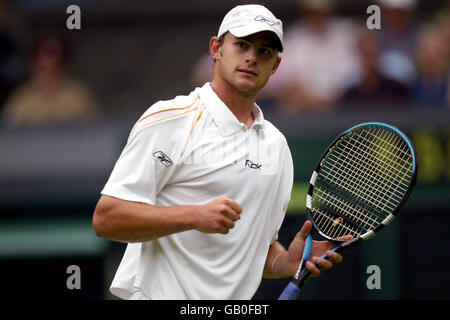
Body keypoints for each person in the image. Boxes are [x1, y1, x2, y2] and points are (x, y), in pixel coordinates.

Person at [93, 4, 345, 300]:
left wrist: (285, 262)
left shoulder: (276, 147)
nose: (252, 57)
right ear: (216, 48)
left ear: (275, 66)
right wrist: (193, 216)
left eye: (264, 51)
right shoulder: (169, 119)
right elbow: (106, 218)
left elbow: (258, 250)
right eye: (241, 45)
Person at [2, 37, 99, 127]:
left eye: (54, 68)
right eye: (43, 68)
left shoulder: (79, 97)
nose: (48, 75)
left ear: (64, 68)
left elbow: (95, 131)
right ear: (33, 67)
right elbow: (9, 136)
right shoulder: (21, 100)